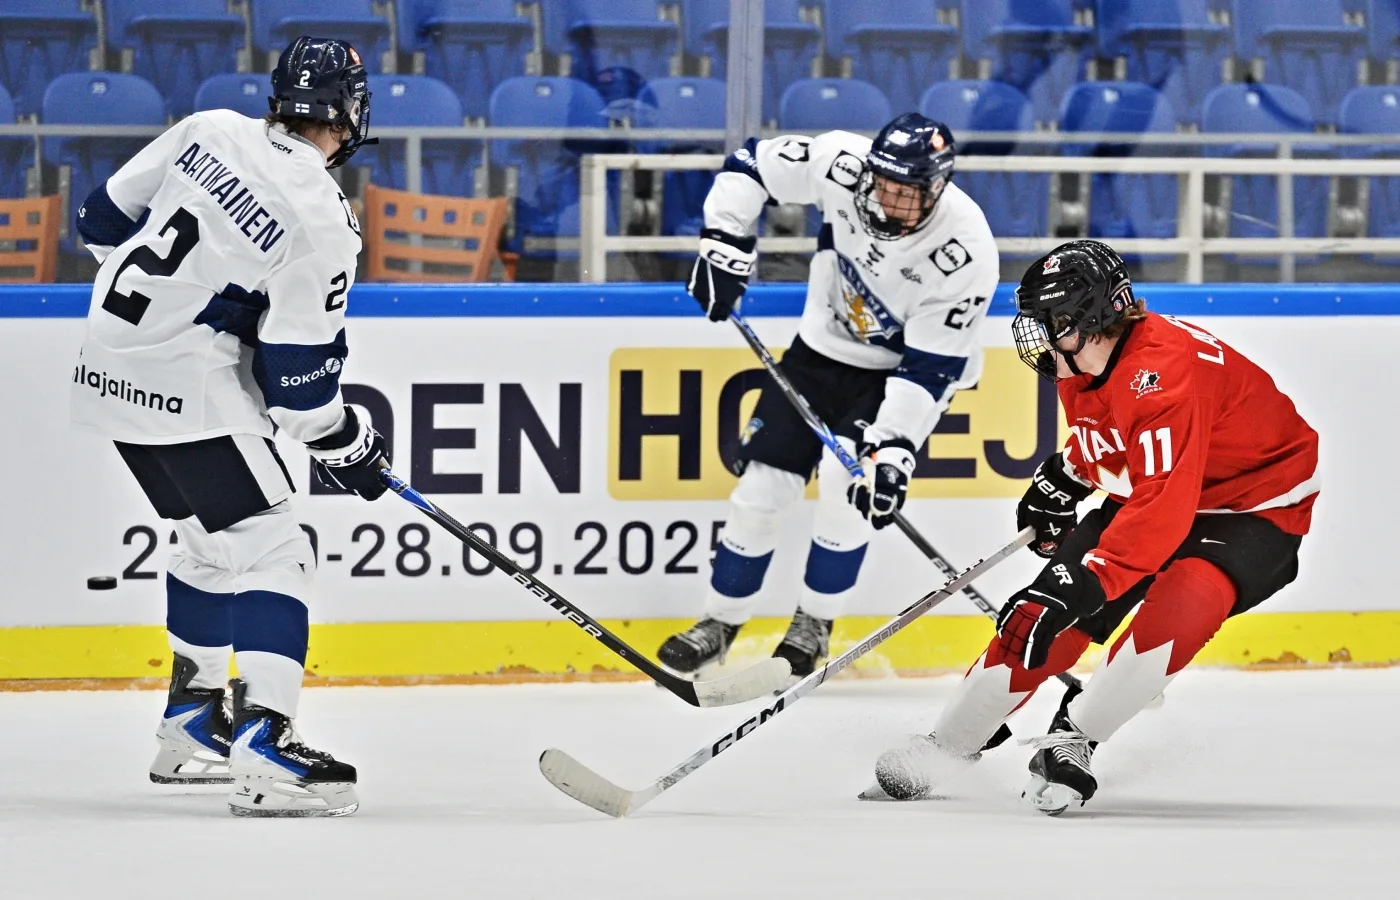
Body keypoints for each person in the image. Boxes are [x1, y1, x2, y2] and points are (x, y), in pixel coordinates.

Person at [870, 240, 1320, 814]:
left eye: (1052, 322)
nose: (1038, 337)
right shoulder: (1081, 362)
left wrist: (1090, 579)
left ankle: (1074, 737)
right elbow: (1114, 442)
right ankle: (950, 743)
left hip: (1256, 507)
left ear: (1093, 317)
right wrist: (1067, 478)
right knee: (1037, 614)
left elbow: (1163, 504)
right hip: (1167, 488)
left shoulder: (1161, 374)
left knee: (1180, 605)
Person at [69, 37, 383, 817]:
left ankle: (191, 722)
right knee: (279, 543)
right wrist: (351, 446)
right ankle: (265, 740)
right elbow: (300, 390)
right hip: (187, 385)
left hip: (110, 363)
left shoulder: (209, 128)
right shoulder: (323, 217)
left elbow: (99, 221)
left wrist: (199, 300)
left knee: (206, 540)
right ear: (350, 113)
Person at [658, 113, 1000, 682]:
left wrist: (893, 452)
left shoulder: (965, 250)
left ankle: (813, 625)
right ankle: (718, 625)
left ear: (937, 188)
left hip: (900, 375)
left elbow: (930, 371)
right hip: (818, 352)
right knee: (760, 491)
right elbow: (750, 166)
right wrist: (724, 241)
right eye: (883, 183)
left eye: (907, 193)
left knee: (849, 490)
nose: (889, 201)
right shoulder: (841, 161)